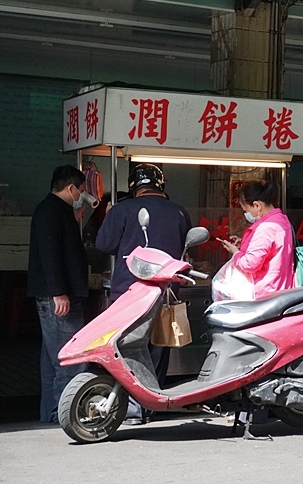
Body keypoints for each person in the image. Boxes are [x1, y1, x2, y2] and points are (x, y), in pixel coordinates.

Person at [96, 163, 192, 425]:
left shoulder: (121, 210)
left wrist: (108, 217)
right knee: (158, 347)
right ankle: (151, 404)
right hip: (166, 293)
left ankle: (132, 409)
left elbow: (104, 244)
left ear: (133, 186)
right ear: (161, 185)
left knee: (128, 347)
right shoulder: (179, 212)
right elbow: (186, 250)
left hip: (129, 293)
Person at [28, 165, 89, 423]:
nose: (83, 195)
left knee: (52, 361)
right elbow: (50, 254)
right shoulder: (50, 212)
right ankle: (63, 418)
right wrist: (59, 293)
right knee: (69, 359)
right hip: (58, 298)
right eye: (82, 190)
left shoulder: (58, 212)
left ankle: (51, 416)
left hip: (56, 295)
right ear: (71, 188)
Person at [220, 180, 295, 296]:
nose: (246, 214)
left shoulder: (266, 228)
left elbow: (250, 264)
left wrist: (235, 253)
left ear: (257, 205)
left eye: (246, 210)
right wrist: (245, 243)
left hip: (265, 291)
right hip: (280, 287)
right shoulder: (281, 220)